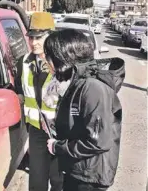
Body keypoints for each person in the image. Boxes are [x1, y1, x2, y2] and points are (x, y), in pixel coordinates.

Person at [43, 29, 125, 191]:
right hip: (77, 168)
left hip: (90, 176)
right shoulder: (74, 82)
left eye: (49, 55)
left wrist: (58, 147)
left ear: (63, 57)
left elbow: (98, 141)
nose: (46, 60)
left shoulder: (92, 88)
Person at [15, 12, 63, 191]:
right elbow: (20, 91)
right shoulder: (25, 62)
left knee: (59, 181)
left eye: (39, 37)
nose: (33, 42)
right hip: (36, 131)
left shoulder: (63, 63)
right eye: (31, 37)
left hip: (60, 132)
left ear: (51, 36)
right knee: (36, 180)